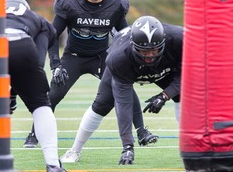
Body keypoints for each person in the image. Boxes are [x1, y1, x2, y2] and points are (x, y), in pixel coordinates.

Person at [23, 0, 159, 154]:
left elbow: (126, 37)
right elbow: (52, 35)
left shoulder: (116, 3)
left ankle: (142, 131)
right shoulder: (68, 3)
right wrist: (56, 65)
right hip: (74, 57)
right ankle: (34, 133)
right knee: (52, 96)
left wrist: (130, 65)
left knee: (125, 86)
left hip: (102, 57)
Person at [61, 15, 183, 165]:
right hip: (128, 70)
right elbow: (123, 103)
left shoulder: (179, 39)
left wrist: (165, 95)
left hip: (166, 69)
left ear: (164, 42)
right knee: (101, 105)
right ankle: (74, 150)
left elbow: (189, 74)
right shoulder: (118, 58)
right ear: (133, 45)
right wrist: (127, 146)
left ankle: (189, 144)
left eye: (154, 50)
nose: (150, 56)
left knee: (182, 96)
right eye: (144, 52)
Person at [5, 0, 66, 172]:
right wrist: (16, 91)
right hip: (22, 45)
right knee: (40, 104)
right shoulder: (39, 20)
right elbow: (35, 64)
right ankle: (53, 164)